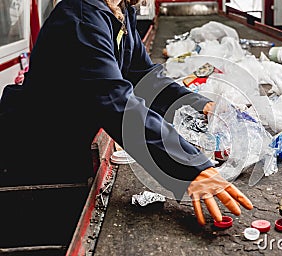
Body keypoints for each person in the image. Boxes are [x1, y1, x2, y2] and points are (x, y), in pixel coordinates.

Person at [0, 0, 253, 225]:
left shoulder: (120, 11)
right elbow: (116, 103)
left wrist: (198, 103)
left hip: (67, 139)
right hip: (33, 149)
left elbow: (144, 76)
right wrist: (191, 166)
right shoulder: (82, 19)